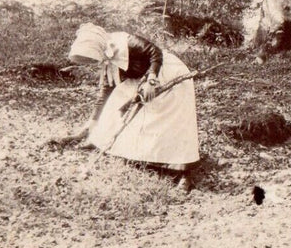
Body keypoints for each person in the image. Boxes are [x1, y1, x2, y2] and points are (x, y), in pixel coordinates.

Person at [66, 23, 199, 188]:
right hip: (141, 76)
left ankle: (181, 169)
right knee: (115, 104)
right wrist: (93, 122)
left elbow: (155, 53)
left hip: (165, 71)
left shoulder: (127, 42)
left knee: (168, 117)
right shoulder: (108, 61)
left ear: (99, 46)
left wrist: (151, 80)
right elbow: (106, 91)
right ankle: (106, 143)